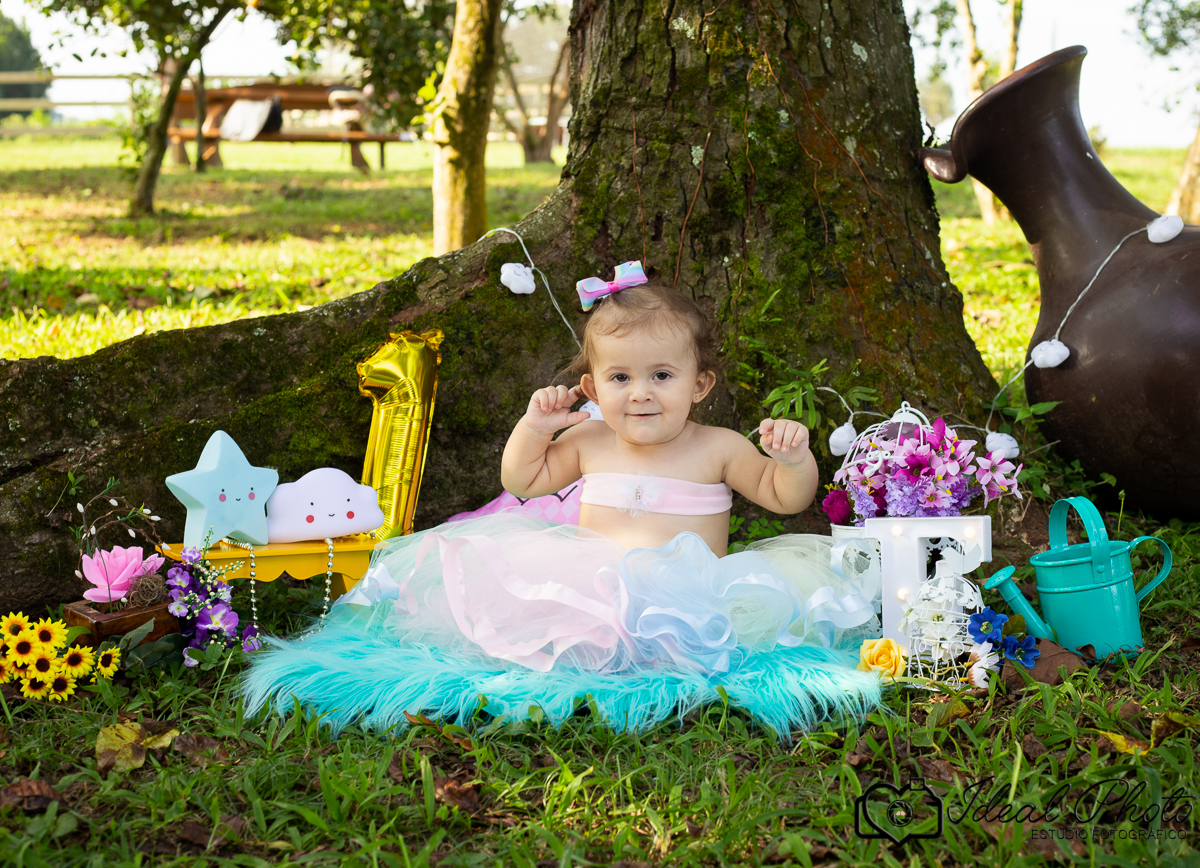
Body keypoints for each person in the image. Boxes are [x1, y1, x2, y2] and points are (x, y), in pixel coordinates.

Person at [243, 262, 883, 734]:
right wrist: (536, 427)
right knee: (562, 619)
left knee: (717, 632)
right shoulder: (588, 439)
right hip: (598, 586)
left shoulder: (719, 446)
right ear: (593, 387)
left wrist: (793, 461)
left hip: (691, 595)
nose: (641, 393)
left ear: (700, 384)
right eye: (620, 377)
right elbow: (523, 482)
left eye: (662, 376)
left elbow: (783, 498)